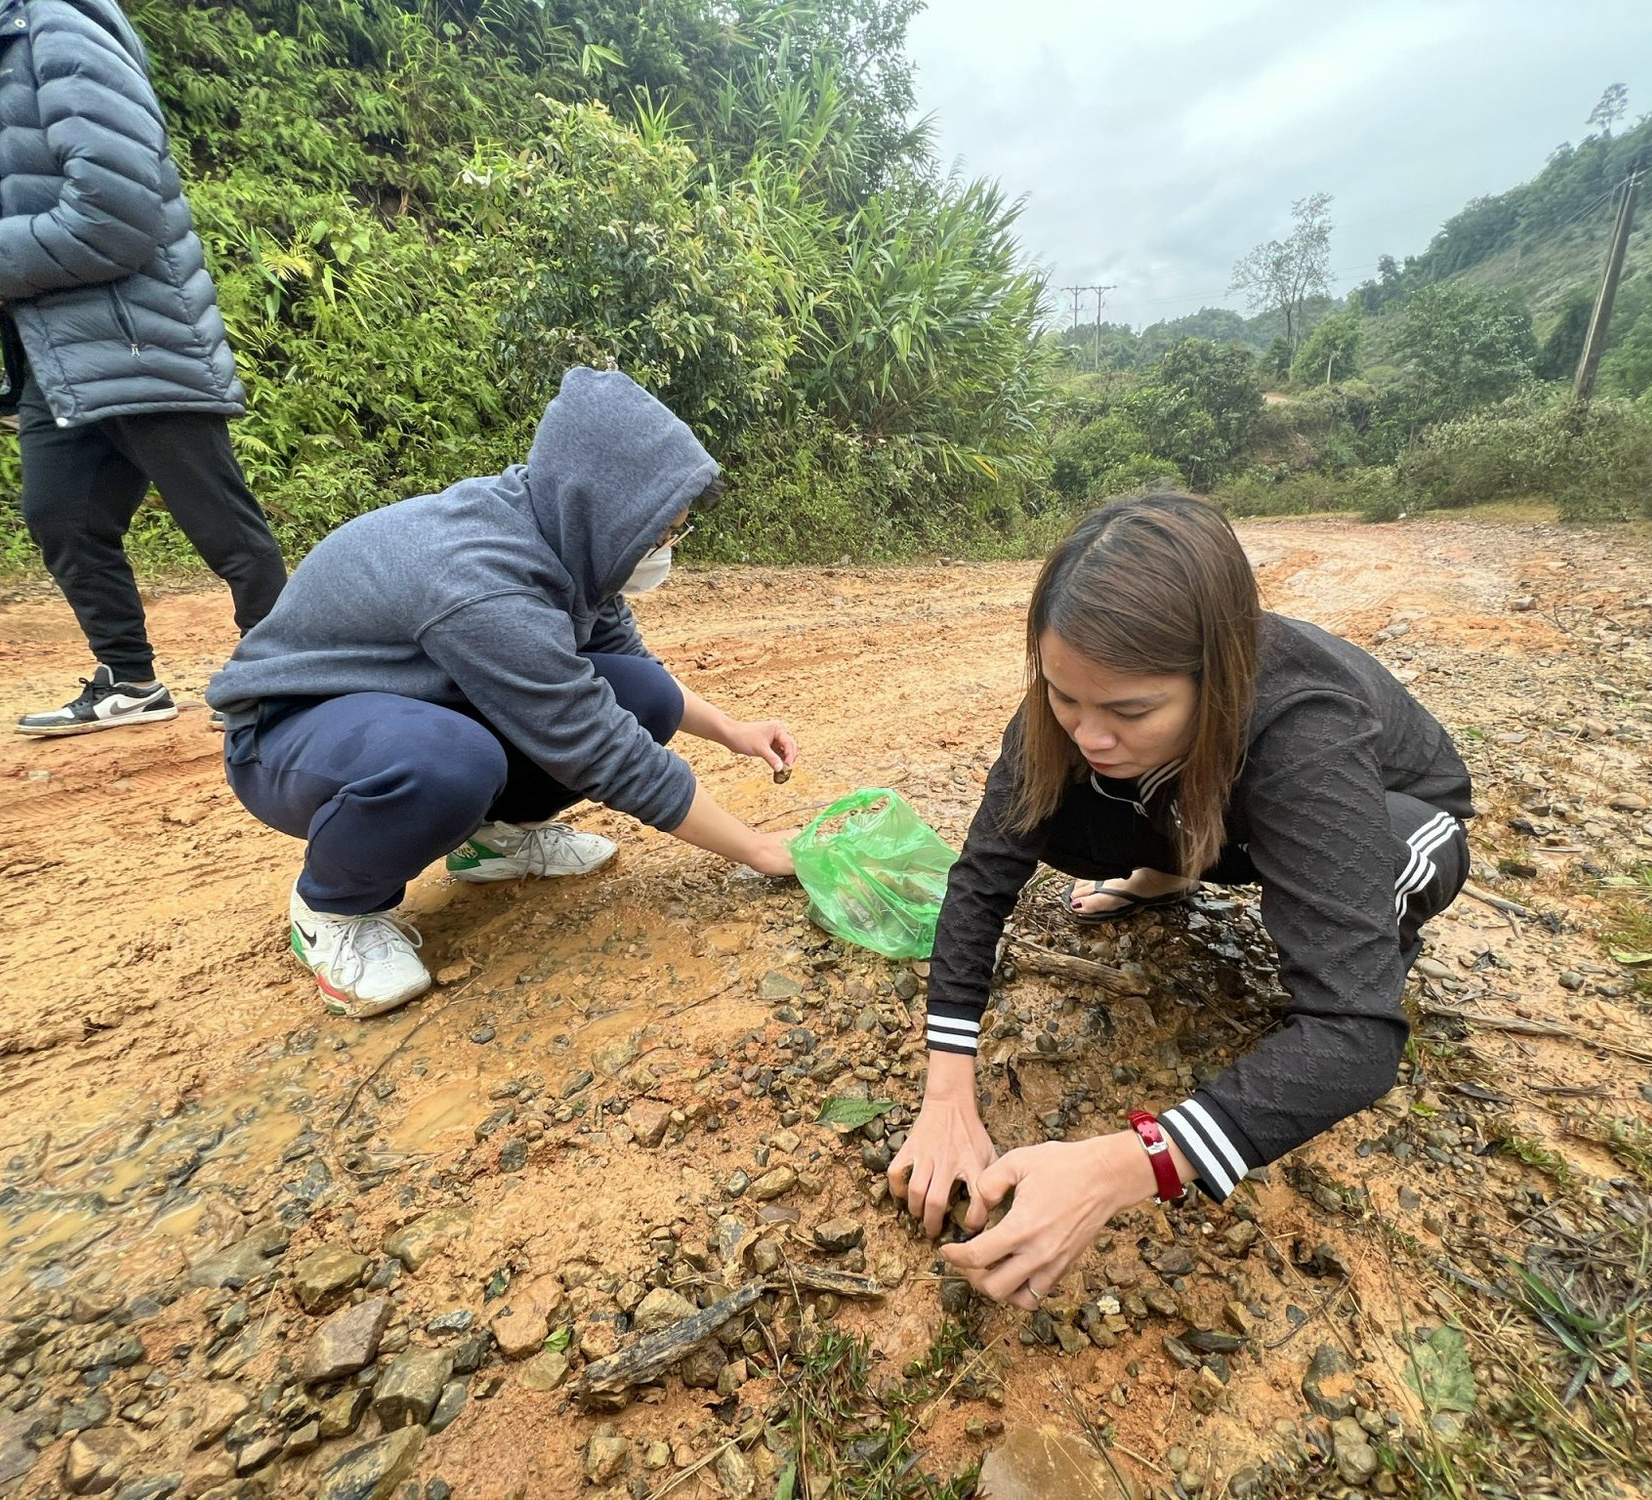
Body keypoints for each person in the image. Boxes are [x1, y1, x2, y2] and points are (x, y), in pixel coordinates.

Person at [889, 493, 1473, 1308]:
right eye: (1064, 695)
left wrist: (1123, 1166)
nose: (1090, 732)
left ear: (1220, 678)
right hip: (1221, 811)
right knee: (1041, 805)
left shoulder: (1304, 725)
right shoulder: (1076, 711)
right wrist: (947, 1091)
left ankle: (1364, 938)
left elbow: (1356, 1041)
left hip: (1391, 814)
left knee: (1354, 962)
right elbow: (982, 876)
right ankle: (1169, 868)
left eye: (1130, 710)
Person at [208, 368, 798, 1019]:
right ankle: (334, 906)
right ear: (606, 508)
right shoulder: (485, 579)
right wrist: (757, 848)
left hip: (405, 703)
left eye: (673, 534)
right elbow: (600, 748)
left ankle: (494, 840)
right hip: (288, 735)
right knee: (451, 762)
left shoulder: (568, 539)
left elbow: (623, 665)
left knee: (644, 694)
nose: (664, 549)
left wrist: (732, 729)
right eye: (659, 533)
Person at [0, 0, 287, 735]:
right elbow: (9, 203)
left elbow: (119, 213)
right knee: (61, 515)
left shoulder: (58, 26)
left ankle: (292, 672)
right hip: (54, 340)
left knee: (220, 525)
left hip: (137, 332)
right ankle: (132, 681)